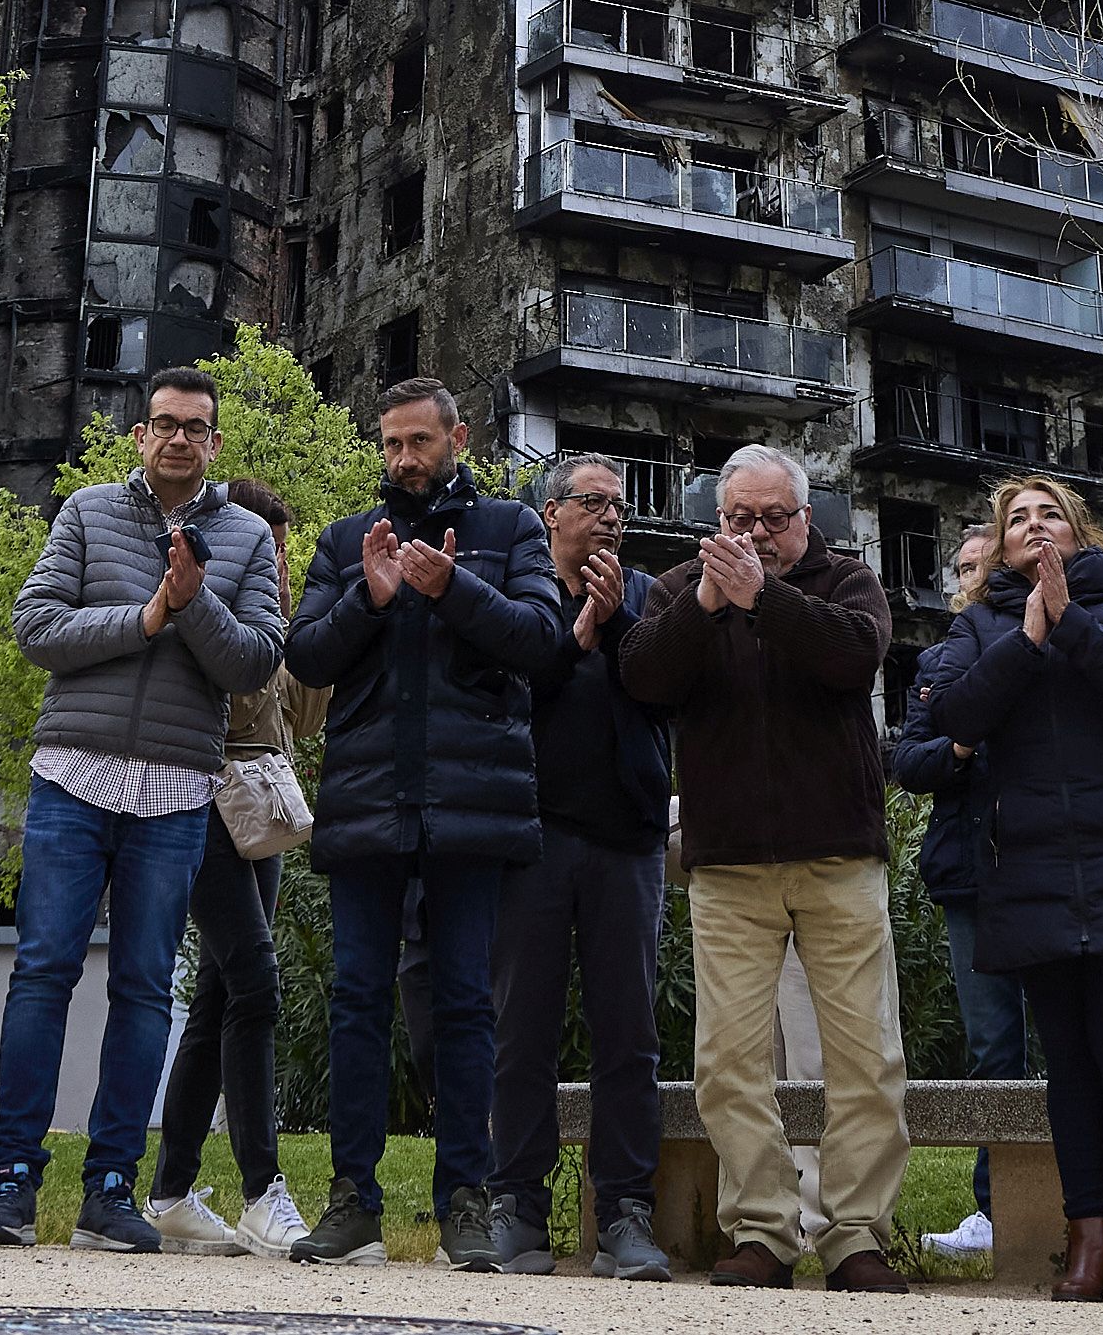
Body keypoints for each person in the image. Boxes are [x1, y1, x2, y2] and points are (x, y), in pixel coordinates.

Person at [0, 367, 290, 1253]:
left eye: (195, 425)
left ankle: (110, 1189)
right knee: (43, 974)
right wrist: (147, 616)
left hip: (179, 789)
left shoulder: (250, 536)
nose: (178, 437)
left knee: (145, 989)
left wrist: (194, 605)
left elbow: (257, 662)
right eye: (163, 424)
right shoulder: (86, 512)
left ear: (215, 443)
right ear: (139, 435)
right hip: (72, 773)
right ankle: (10, 1184)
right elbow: (35, 627)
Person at [280, 376, 567, 1268]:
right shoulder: (343, 540)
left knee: (466, 1007)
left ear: (458, 438)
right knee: (358, 1000)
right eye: (392, 442)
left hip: (472, 804)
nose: (404, 457)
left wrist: (452, 592)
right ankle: (353, 1201)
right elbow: (305, 654)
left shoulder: (512, 529)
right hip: (369, 796)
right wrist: (369, 597)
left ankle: (466, 1205)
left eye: (420, 441)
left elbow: (541, 641)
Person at [618, 445, 908, 1295]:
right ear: (717, 520)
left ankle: (855, 1233)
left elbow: (856, 658)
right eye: (738, 518)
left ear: (804, 518)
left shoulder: (849, 581)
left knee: (867, 1058)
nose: (756, 533)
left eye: (772, 518)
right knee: (728, 1062)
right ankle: (762, 1230)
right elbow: (643, 677)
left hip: (839, 855)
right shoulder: (680, 590)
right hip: (730, 864)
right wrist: (710, 603)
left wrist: (765, 598)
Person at [920, 478, 1103, 1304]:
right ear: (999, 546)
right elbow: (955, 719)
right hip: (1030, 866)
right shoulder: (977, 626)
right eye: (1018, 519)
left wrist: (1071, 621)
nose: (1034, 527)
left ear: (1078, 533)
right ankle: (1087, 1235)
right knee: (1068, 1066)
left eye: (1050, 514)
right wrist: (1028, 634)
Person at [481, 455, 678, 1279]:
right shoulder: (521, 597)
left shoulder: (650, 596)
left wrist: (619, 625)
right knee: (520, 1031)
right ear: (552, 512)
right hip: (530, 840)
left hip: (627, 840)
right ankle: (518, 1207)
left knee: (629, 1035)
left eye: (619, 505)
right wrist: (579, 631)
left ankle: (626, 1213)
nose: (610, 516)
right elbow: (506, 697)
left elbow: (671, 689)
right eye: (593, 502)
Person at [146, 476, 324, 1260]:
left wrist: (297, 624)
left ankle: (171, 1191)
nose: (276, 562)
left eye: (283, 552)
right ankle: (261, 1191)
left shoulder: (271, 617)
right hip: (202, 797)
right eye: (268, 549)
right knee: (255, 979)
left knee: (219, 995)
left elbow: (303, 719)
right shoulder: (202, 606)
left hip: (261, 811)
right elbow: (239, 692)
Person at [894, 524, 1032, 1264]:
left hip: (1045, 865)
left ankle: (1079, 1200)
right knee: (992, 1046)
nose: (969, 577)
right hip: (968, 871)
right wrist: (960, 744)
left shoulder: (1048, 643)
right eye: (960, 567)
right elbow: (910, 762)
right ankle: (994, 1207)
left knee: (1066, 1038)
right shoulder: (937, 660)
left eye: (981, 564)